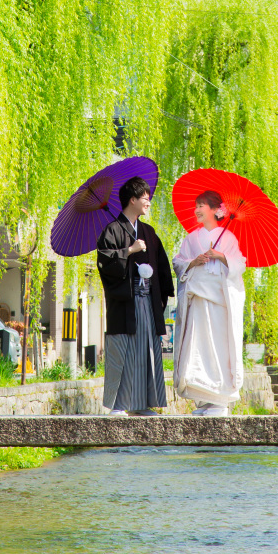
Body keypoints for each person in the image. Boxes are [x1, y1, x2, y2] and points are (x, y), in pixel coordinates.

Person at [96, 176, 174, 415]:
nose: (148, 202)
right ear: (132, 200)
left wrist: (161, 295)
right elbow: (104, 262)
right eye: (145, 198)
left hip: (147, 301)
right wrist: (129, 250)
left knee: (145, 351)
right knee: (124, 351)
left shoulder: (148, 232)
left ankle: (141, 404)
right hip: (125, 302)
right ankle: (119, 405)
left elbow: (162, 267)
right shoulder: (112, 230)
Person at [173, 189, 247, 416]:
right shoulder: (191, 238)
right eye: (196, 205)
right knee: (197, 346)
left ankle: (220, 401)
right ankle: (204, 401)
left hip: (219, 302)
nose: (196, 210)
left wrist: (221, 256)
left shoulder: (229, 238)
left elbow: (239, 265)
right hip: (197, 299)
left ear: (216, 210)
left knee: (218, 347)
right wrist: (193, 261)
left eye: (201, 205)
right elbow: (178, 263)